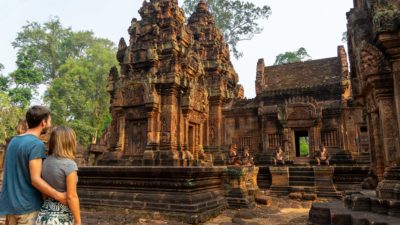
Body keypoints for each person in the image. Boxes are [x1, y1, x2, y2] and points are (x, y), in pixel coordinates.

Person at [0, 106, 67, 225]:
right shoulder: (36, 144)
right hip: (28, 208)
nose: (50, 124)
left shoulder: (13, 141)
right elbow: (35, 180)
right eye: (49, 121)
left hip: (11, 207)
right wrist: (59, 196)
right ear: (43, 122)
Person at [35, 126, 81, 225]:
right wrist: (78, 221)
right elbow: (71, 196)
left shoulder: (45, 162)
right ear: (70, 142)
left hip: (44, 214)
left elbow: (44, 192)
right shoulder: (69, 165)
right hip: (61, 217)